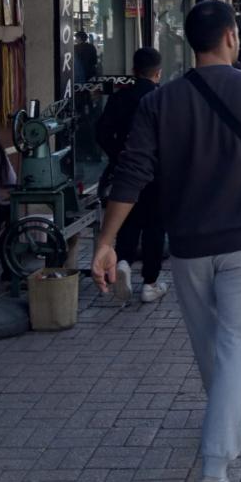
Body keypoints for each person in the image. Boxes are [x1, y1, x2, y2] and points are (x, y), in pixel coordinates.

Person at [92, 0, 241, 482]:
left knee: (213, 347)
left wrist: (106, 241)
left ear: (191, 43)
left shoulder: (161, 101)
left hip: (189, 246)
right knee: (239, 348)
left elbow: (133, 172)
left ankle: (220, 436)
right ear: (232, 38)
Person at [95, 47, 169, 303]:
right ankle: (150, 282)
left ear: (133, 71)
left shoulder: (120, 98)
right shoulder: (162, 98)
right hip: (157, 174)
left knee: (127, 219)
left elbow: (102, 132)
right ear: (158, 73)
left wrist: (119, 156)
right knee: (155, 226)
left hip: (125, 172)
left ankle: (123, 262)